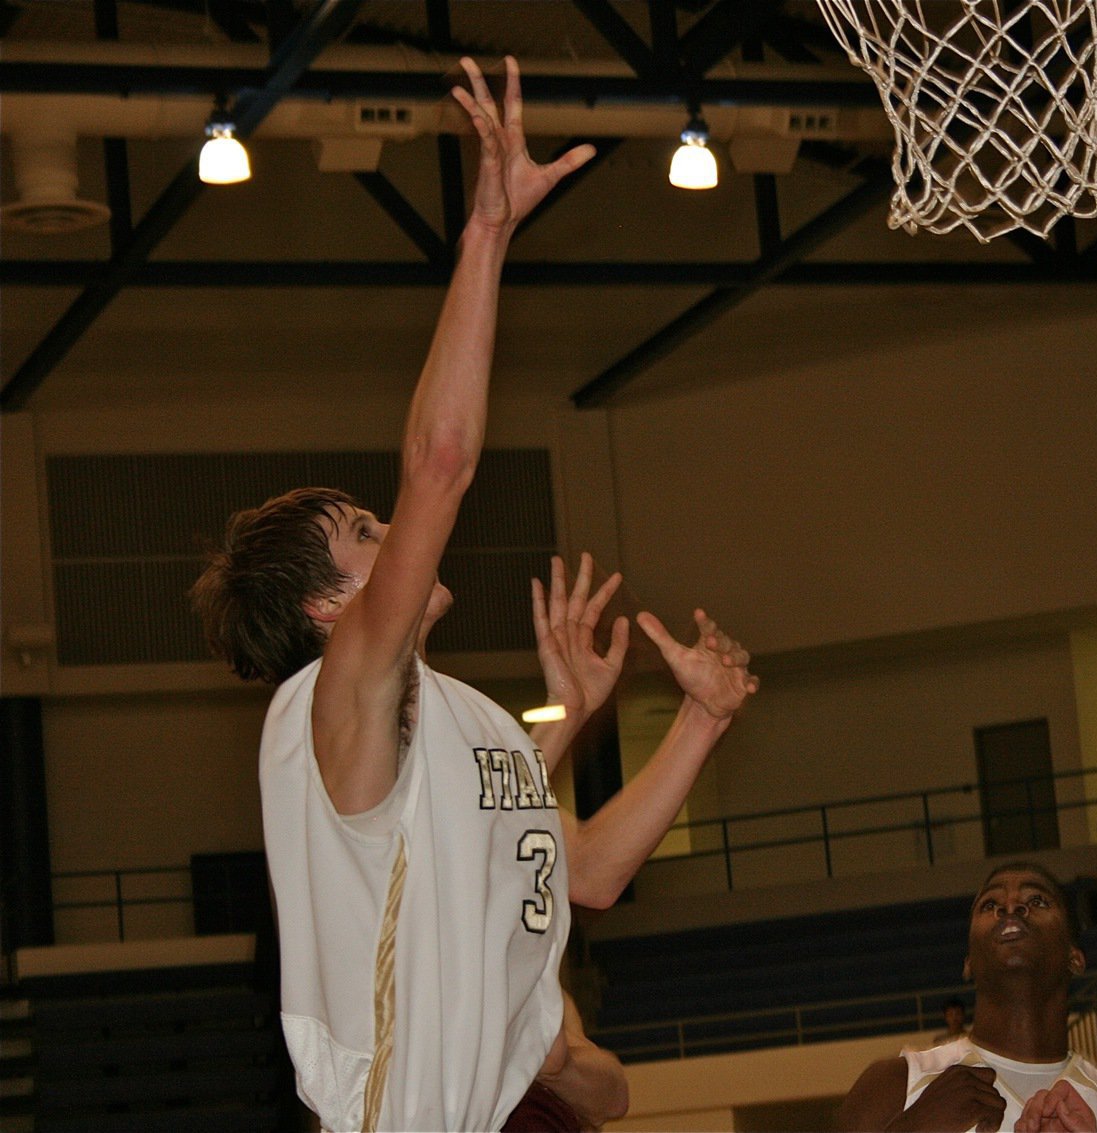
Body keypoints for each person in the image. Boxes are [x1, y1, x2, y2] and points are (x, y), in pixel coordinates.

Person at [191, 56, 758, 1133]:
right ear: (328, 609)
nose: (399, 531)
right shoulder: (333, 699)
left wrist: (697, 717)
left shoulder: (472, 716)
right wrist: (489, 234)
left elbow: (583, 869)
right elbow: (441, 462)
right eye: (366, 532)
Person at [836, 862, 1097, 1133]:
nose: (1010, 907)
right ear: (968, 962)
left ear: (1074, 957)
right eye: (991, 904)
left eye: (1036, 900)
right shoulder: (894, 1086)